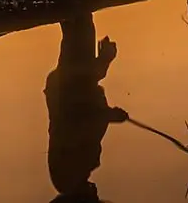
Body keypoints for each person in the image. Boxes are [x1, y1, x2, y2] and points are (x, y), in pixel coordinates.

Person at [45, 11, 129, 202]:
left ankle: (73, 8)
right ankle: (74, 10)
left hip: (67, 89)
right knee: (79, 29)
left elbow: (76, 115)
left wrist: (107, 116)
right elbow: (82, 90)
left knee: (79, 29)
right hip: (68, 86)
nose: (97, 194)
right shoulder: (69, 177)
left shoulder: (68, 177)